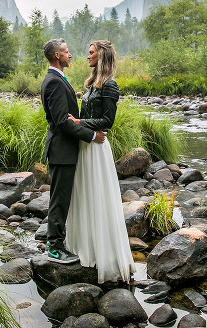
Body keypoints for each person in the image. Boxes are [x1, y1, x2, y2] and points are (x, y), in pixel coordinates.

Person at [65, 40, 135, 283]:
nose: (87, 56)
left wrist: (79, 123)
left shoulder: (110, 85)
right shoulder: (91, 84)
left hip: (98, 148)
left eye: (91, 53)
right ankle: (85, 249)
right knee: (84, 195)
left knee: (99, 197)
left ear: (102, 56)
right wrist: (80, 123)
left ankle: (106, 256)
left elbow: (107, 121)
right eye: (88, 53)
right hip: (86, 145)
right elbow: (85, 117)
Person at [40, 38, 106, 264]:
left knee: (63, 197)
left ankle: (60, 242)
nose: (71, 55)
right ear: (57, 56)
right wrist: (91, 135)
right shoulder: (54, 82)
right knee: (60, 199)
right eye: (66, 52)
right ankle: (54, 248)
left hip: (65, 150)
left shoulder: (57, 79)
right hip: (62, 150)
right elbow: (61, 122)